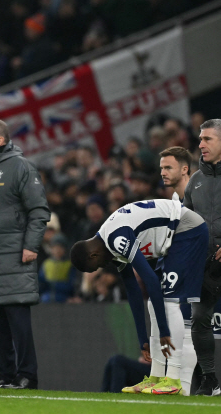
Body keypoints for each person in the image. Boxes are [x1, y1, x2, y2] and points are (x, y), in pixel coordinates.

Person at [70, 199, 208, 395]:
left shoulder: (116, 239)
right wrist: (143, 339)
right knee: (154, 303)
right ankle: (157, 377)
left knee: (169, 303)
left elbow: (150, 280)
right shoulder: (109, 244)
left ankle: (174, 379)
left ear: (93, 255)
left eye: (97, 266)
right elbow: (133, 290)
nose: (101, 267)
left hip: (186, 230)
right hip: (172, 236)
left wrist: (163, 330)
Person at [0, 118, 50, 390]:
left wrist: (31, 245)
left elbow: (39, 210)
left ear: (0, 140)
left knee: (18, 320)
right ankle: (5, 375)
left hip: (14, 255)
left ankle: (27, 375)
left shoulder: (20, 166)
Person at [183, 119, 221, 396]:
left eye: (207, 139)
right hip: (207, 264)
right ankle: (210, 379)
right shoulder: (195, 180)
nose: (201, 144)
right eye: (200, 139)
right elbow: (185, 222)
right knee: (199, 318)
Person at [159, 146, 197, 395]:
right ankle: (181, 390)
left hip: (206, 272)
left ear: (184, 169)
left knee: (196, 332)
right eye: (161, 167)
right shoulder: (173, 203)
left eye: (168, 167)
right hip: (184, 272)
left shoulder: (204, 195)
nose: (162, 172)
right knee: (185, 331)